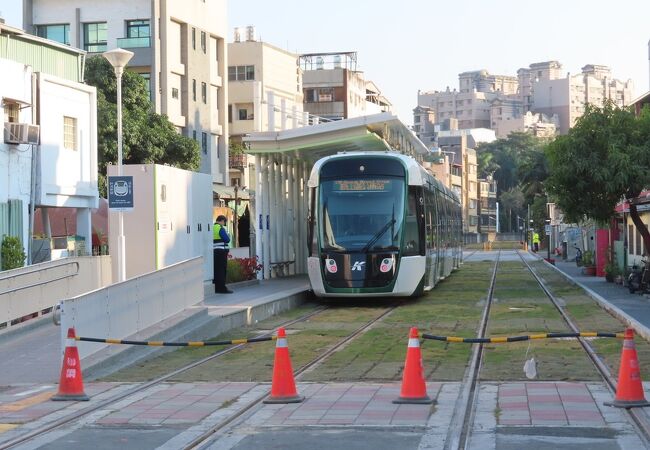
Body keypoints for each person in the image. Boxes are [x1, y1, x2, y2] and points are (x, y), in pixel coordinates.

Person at [213, 215, 232, 294]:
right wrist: (228, 235)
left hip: (214, 252)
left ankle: (216, 288)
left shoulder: (212, 228)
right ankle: (222, 288)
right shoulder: (220, 228)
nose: (224, 224)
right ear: (222, 220)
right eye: (224, 222)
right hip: (221, 252)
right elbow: (227, 240)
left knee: (216, 270)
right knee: (222, 270)